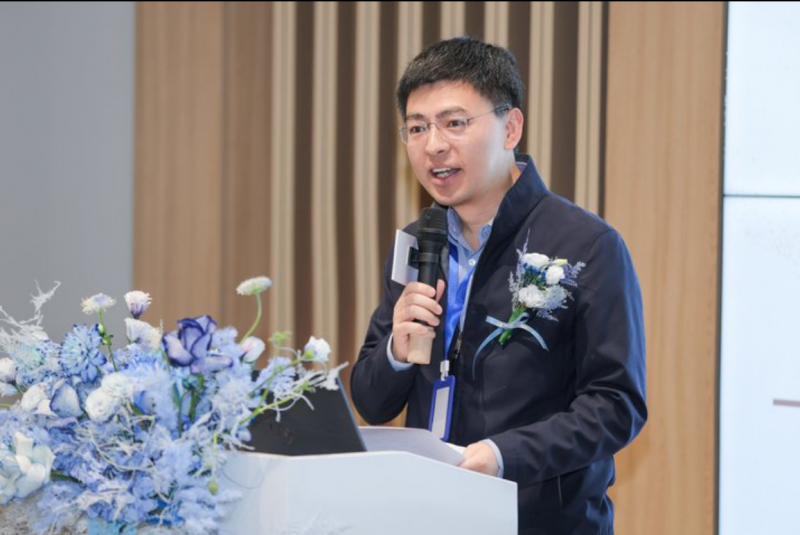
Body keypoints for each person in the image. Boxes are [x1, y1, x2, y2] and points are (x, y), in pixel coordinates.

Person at [350, 36, 647, 535]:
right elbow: (372, 401)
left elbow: (616, 406)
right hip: (428, 515)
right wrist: (396, 352)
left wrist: (503, 454)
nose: (433, 145)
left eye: (454, 123)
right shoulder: (417, 243)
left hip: (540, 519)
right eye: (417, 127)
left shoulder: (587, 245)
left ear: (510, 128)